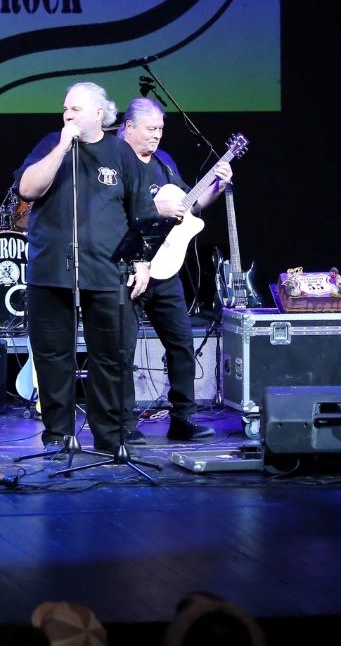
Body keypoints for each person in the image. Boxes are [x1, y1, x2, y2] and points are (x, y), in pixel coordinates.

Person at [15, 82, 149, 454]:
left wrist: (142, 262)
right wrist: (61, 147)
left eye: (75, 109)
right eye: (65, 108)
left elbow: (140, 213)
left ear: (98, 114)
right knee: (52, 356)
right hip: (51, 269)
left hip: (106, 271)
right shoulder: (50, 144)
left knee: (110, 356)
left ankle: (110, 436)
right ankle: (58, 435)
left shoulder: (120, 152)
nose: (67, 115)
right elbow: (27, 189)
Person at [118, 97, 228, 442]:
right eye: (150, 129)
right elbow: (110, 214)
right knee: (122, 349)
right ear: (129, 127)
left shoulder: (163, 163)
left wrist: (217, 186)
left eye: (161, 129)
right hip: (127, 269)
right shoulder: (115, 162)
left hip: (165, 269)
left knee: (181, 343)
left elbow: (189, 207)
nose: (157, 135)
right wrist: (155, 209)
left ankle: (182, 419)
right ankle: (124, 424)